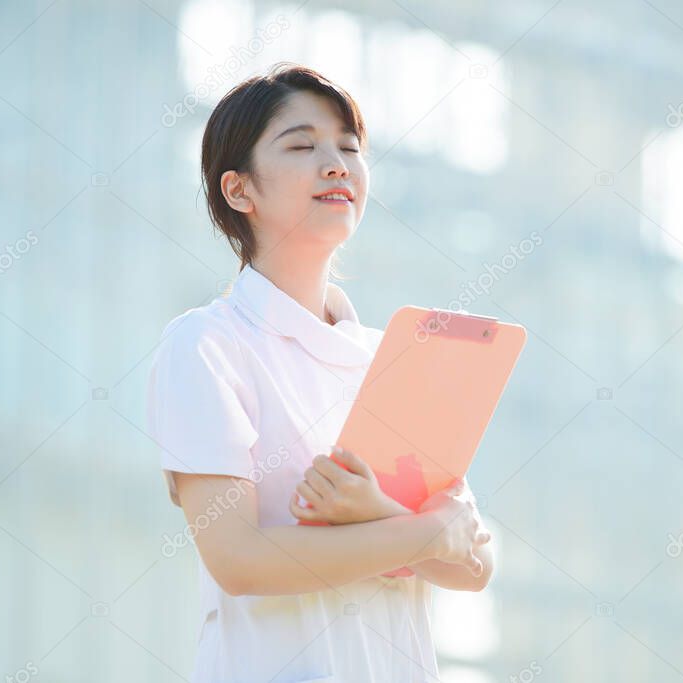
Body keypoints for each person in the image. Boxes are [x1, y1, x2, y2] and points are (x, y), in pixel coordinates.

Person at [146, 62, 494, 683]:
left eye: (350, 147)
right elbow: (239, 559)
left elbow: (471, 565)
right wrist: (420, 533)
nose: (337, 164)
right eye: (302, 145)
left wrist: (378, 512)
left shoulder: (401, 357)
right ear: (239, 191)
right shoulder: (207, 345)